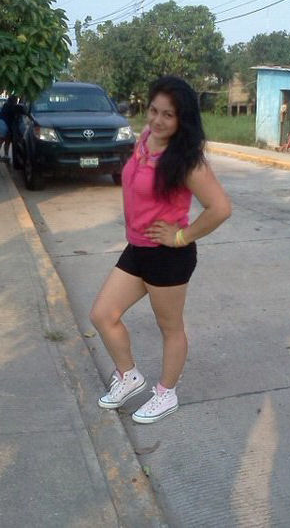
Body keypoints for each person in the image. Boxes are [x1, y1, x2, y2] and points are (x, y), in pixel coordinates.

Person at [90, 75, 232, 424]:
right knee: (103, 315)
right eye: (154, 110)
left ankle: (166, 394)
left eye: (168, 115)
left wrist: (181, 236)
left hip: (169, 256)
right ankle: (129, 376)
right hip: (138, 248)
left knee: (170, 327)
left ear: (183, 119)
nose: (157, 120)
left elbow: (220, 208)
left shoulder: (187, 161)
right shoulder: (145, 139)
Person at [0, 95, 19, 163]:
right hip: (5, 124)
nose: (16, 102)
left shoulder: (5, 105)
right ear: (14, 101)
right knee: (6, 141)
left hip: (0, 123)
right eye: (16, 100)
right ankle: (5, 155)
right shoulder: (12, 107)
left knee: (1, 140)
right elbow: (11, 119)